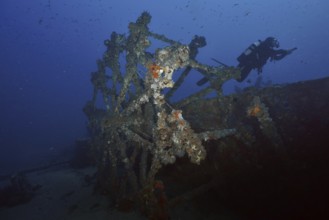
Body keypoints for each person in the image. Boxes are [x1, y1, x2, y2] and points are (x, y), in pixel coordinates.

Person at [196, 37, 296, 85]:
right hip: (247, 64)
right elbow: (275, 53)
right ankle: (219, 71)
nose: (275, 44)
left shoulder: (267, 48)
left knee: (237, 77)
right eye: (274, 42)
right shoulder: (265, 47)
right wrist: (285, 51)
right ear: (270, 42)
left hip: (248, 64)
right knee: (238, 78)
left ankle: (218, 72)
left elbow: (276, 58)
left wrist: (285, 54)